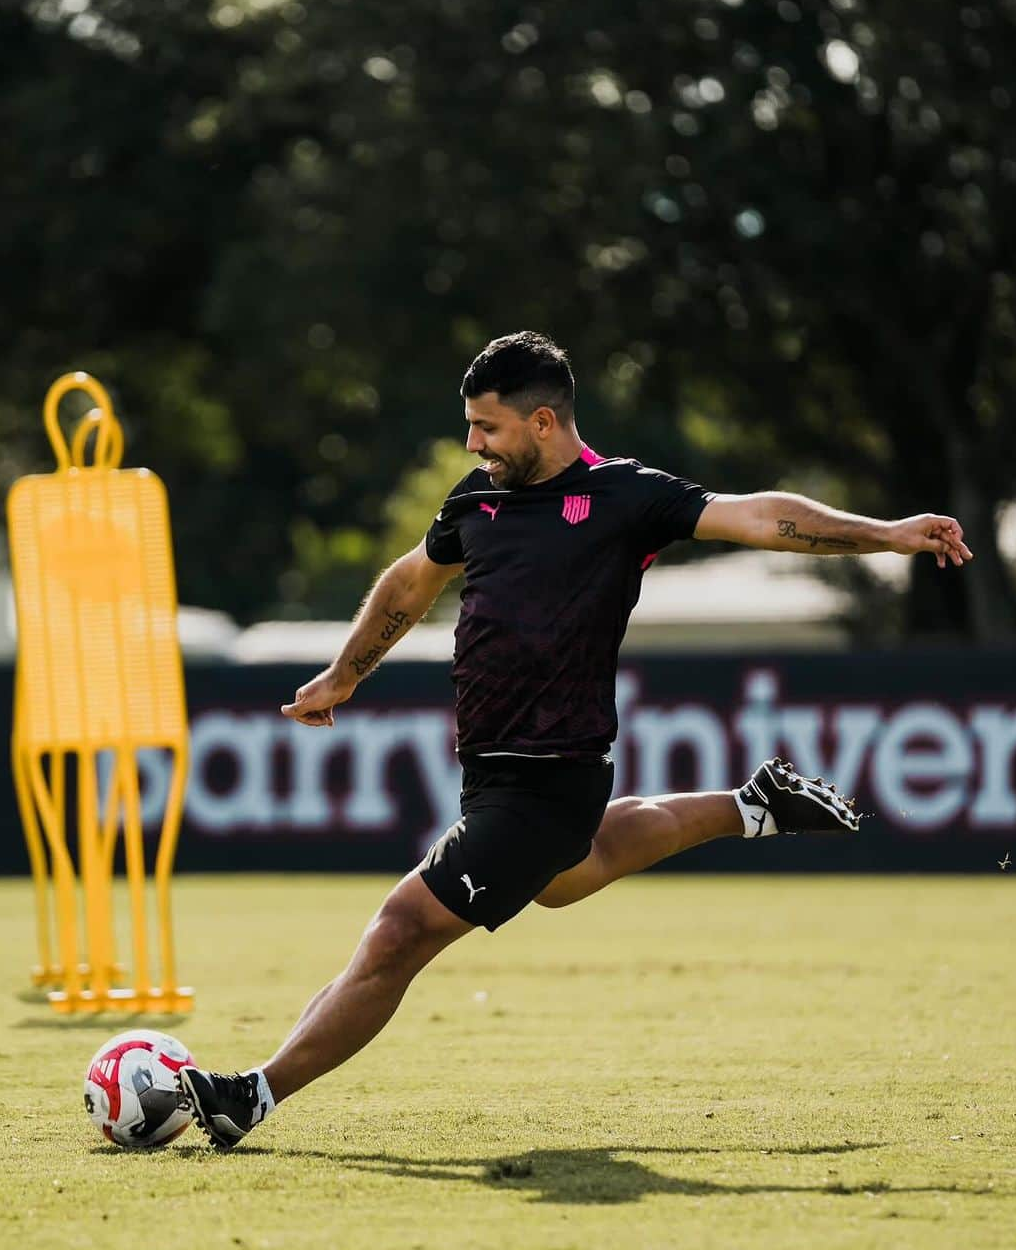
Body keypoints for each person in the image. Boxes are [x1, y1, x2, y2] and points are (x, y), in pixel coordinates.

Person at [178, 331, 973, 1150]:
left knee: (400, 930)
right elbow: (412, 578)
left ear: (545, 422)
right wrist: (345, 673)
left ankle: (254, 1093)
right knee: (566, 877)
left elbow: (763, 516)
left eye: (487, 427)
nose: (472, 444)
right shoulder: (476, 500)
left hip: (548, 781)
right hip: (492, 777)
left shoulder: (627, 497)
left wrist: (888, 532)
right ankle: (752, 805)